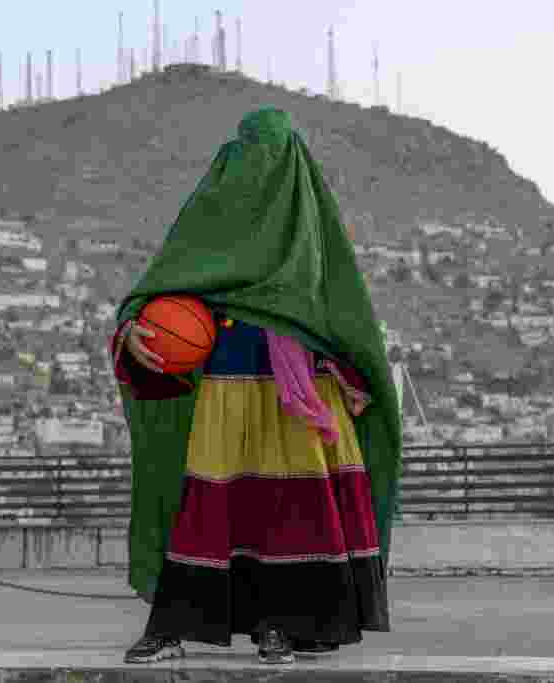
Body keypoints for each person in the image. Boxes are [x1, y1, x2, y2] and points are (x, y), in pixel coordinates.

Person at [109, 108, 402, 665]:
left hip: (302, 394)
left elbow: (346, 318)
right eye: (248, 150)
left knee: (292, 510)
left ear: (292, 163)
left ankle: (283, 625)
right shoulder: (208, 220)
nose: (257, 163)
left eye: (270, 151)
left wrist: (349, 369)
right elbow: (158, 289)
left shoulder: (311, 233)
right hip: (221, 390)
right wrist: (134, 330)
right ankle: (172, 625)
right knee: (201, 505)